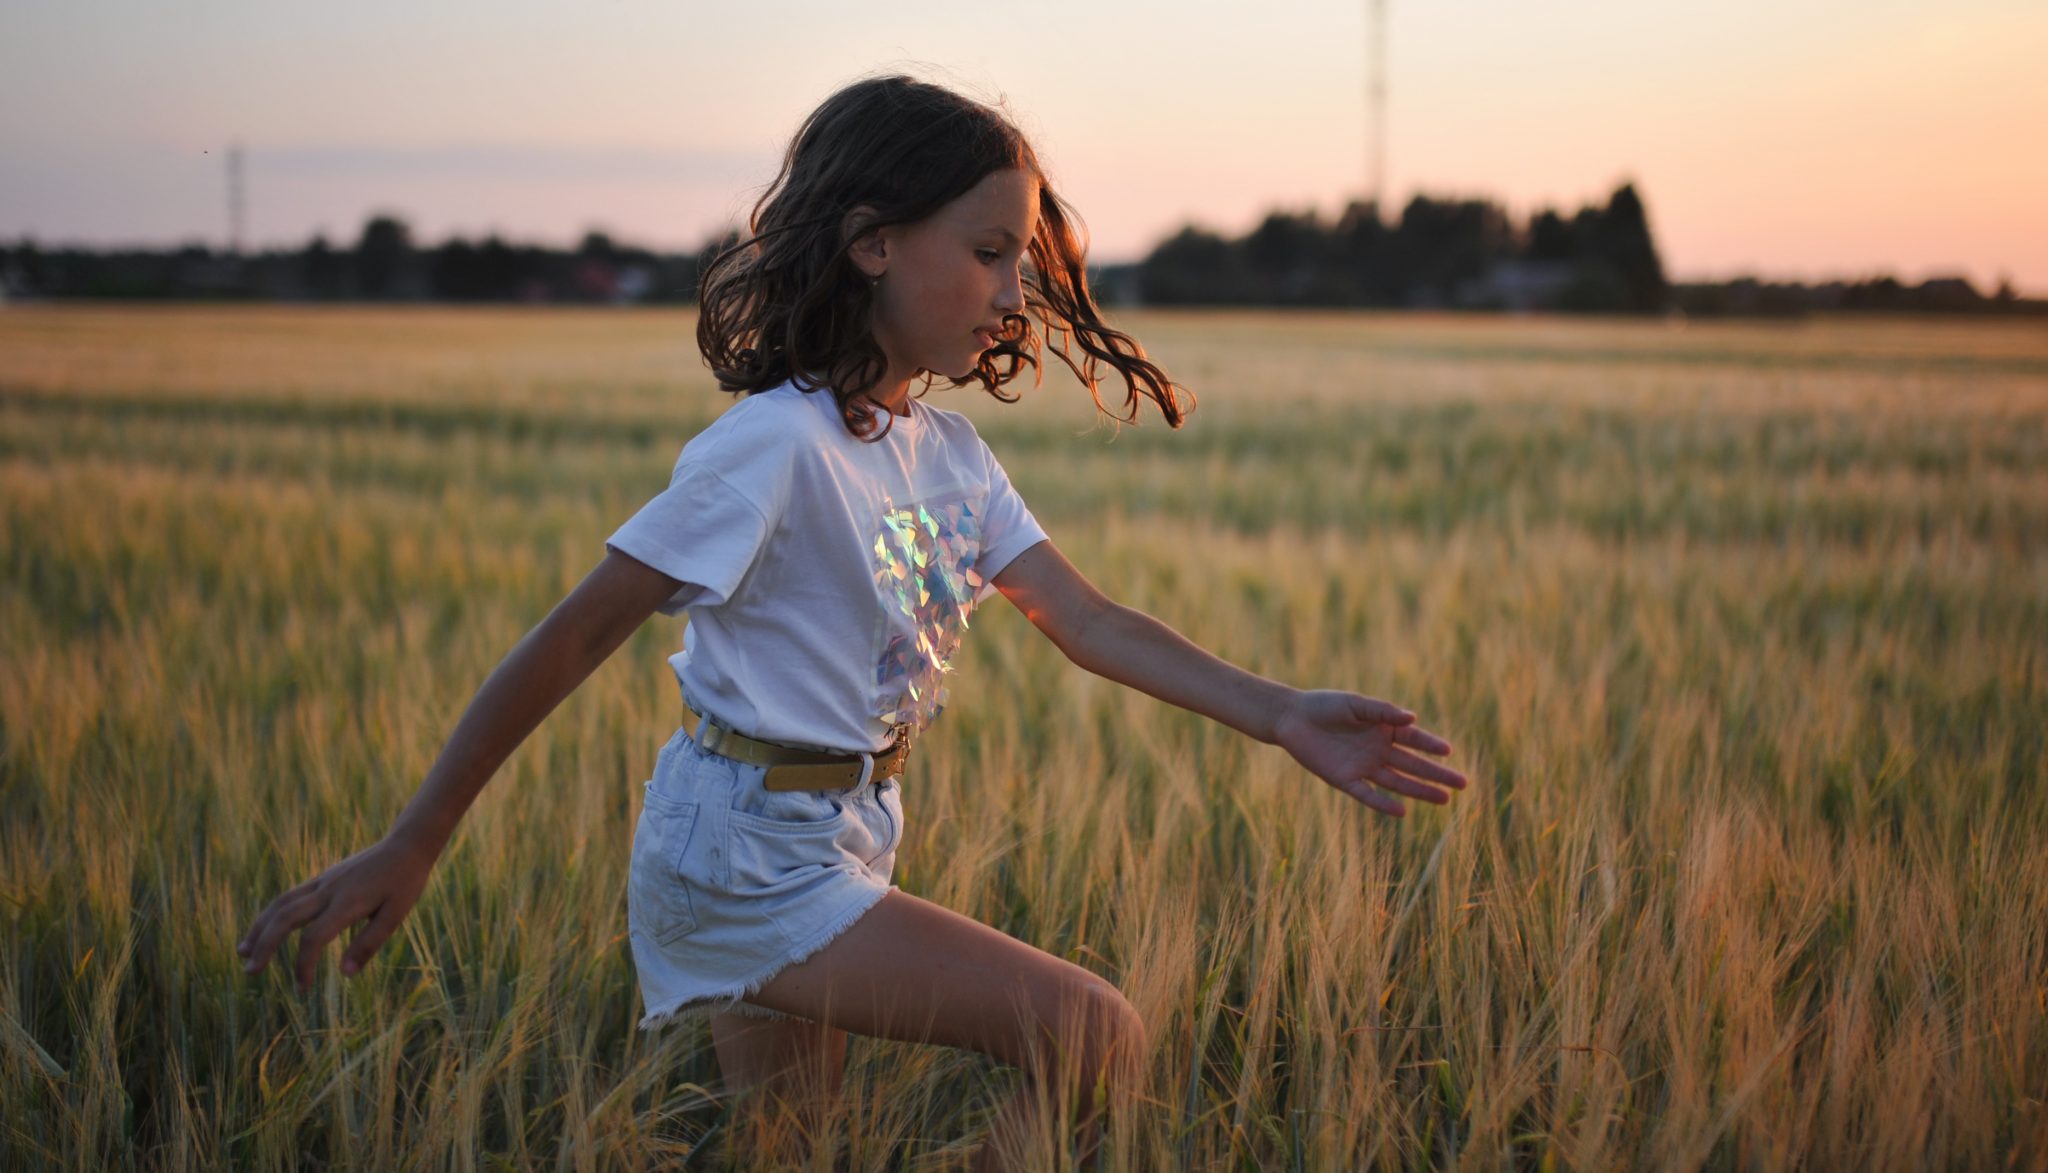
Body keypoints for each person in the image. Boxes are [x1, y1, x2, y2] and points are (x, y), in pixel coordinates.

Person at [236, 72, 1469, 1170]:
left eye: (1024, 258)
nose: (1014, 288)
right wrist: (414, 841)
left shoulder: (952, 455)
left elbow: (1086, 620)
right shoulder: (772, 447)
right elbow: (569, 635)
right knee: (1096, 1036)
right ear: (872, 244)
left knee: (792, 1149)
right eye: (988, 250)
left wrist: (1280, 714)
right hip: (742, 850)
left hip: (840, 826)